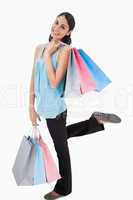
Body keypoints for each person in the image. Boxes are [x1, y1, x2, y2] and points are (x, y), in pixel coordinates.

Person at [29, 12, 121, 200]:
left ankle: (64, 189)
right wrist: (30, 106)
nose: (56, 28)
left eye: (62, 26)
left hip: (56, 108)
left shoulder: (65, 51)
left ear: (68, 32)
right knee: (62, 136)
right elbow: (32, 78)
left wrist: (48, 56)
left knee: (61, 148)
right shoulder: (39, 48)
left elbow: (55, 83)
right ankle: (95, 120)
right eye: (56, 23)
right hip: (42, 106)